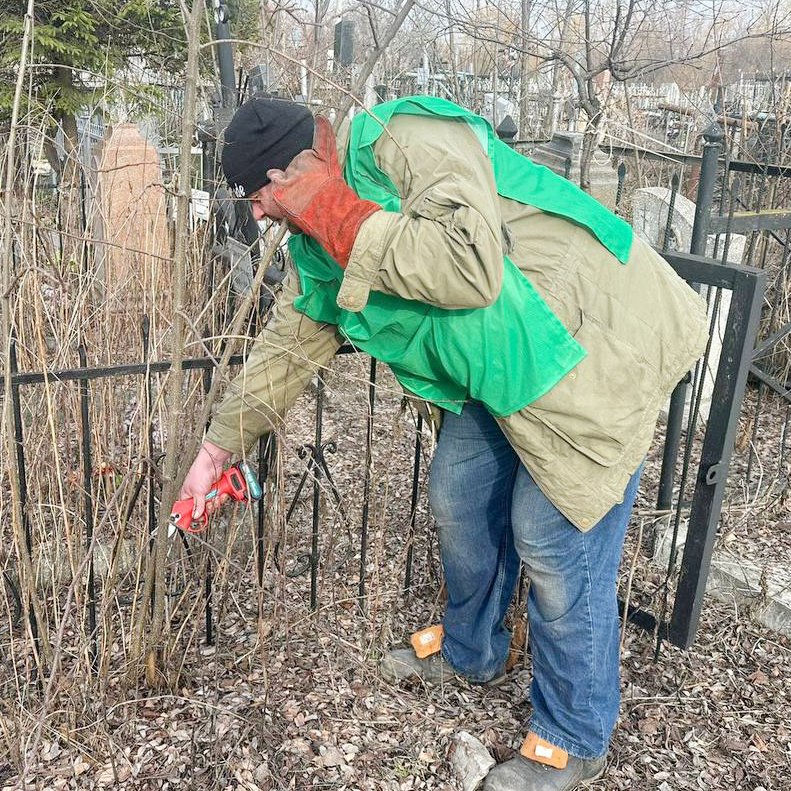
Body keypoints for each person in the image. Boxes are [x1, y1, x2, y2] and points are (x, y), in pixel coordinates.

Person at [180, 95, 708, 791]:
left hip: (591, 341)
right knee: (457, 494)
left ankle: (575, 732)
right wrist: (217, 451)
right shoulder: (316, 235)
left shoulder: (408, 138)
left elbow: (467, 266)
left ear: (298, 169)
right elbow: (292, 339)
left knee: (552, 540)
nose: (257, 213)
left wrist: (337, 213)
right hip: (503, 362)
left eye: (260, 194)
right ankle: (472, 649)